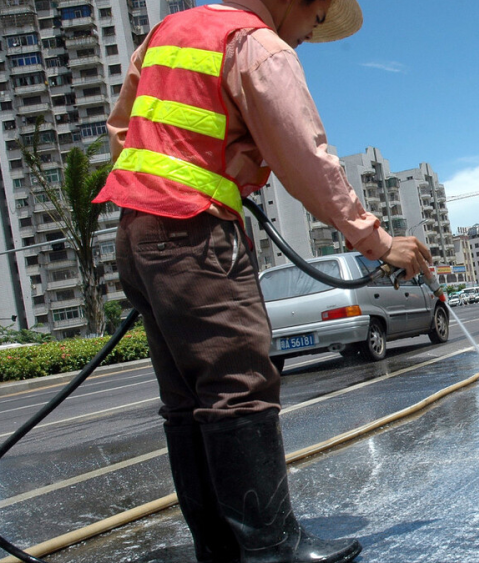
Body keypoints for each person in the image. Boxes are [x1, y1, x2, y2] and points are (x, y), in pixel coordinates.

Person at [92, 1, 431, 561]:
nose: (307, 37)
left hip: (138, 230)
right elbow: (307, 159)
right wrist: (377, 241)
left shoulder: (166, 34)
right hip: (192, 231)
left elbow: (122, 133)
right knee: (237, 387)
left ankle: (219, 548)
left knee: (187, 398)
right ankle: (271, 548)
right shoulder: (256, 44)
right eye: (315, 21)